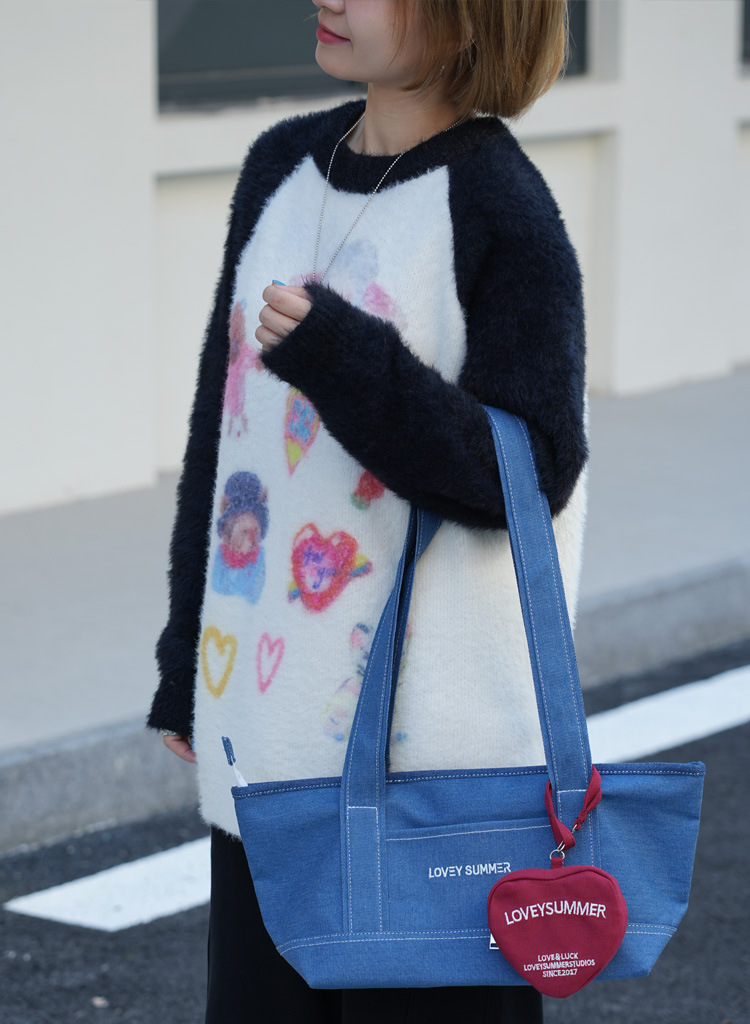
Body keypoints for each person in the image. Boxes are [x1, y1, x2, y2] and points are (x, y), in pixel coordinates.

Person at [147, 0, 589, 1020]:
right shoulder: (280, 167)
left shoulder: (501, 208)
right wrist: (186, 657)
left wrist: (346, 361)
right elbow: (225, 440)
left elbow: (528, 476)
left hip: (432, 783)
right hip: (265, 744)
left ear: (473, 16)